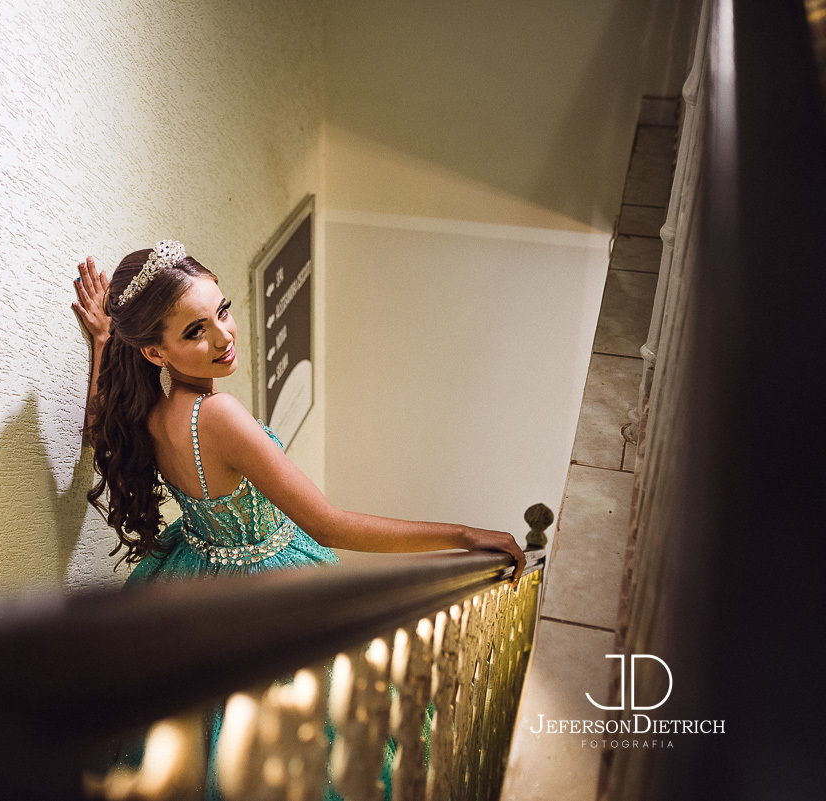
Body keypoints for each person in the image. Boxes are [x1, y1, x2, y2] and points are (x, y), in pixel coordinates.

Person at [71, 241, 526, 799]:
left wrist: (102, 341)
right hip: (268, 585)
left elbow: (100, 427)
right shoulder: (217, 415)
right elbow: (329, 525)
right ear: (154, 353)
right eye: (194, 332)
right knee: (315, 749)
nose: (223, 336)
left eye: (222, 310)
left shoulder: (150, 415)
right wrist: (461, 535)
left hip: (190, 578)